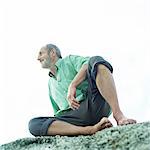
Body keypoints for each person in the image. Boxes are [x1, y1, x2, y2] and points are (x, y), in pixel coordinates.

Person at [28, 44, 136, 136]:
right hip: (74, 120)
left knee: (96, 60)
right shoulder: (50, 84)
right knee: (33, 124)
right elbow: (57, 113)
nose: (38, 58)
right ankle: (89, 130)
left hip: (94, 103)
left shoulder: (69, 60)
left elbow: (87, 63)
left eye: (41, 53)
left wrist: (73, 85)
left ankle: (119, 116)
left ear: (52, 53)